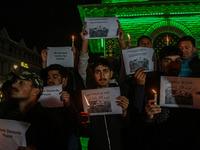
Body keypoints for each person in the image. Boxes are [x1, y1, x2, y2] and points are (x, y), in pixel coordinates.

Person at [144, 45, 200, 149]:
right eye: (168, 61)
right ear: (160, 64)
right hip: (162, 141)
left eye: (177, 60)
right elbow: (146, 124)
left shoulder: (192, 85)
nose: (173, 65)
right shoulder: (152, 87)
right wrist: (149, 116)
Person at [0, 71, 72, 150]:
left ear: (35, 91)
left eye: (21, 83)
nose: (13, 85)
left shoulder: (48, 121)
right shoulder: (6, 115)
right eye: (14, 82)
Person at [81, 57, 130, 150]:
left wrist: (125, 112)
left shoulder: (120, 94)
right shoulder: (87, 97)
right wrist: (85, 124)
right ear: (93, 75)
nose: (102, 75)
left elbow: (128, 125)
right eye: (97, 72)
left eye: (105, 71)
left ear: (111, 74)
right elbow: (84, 134)